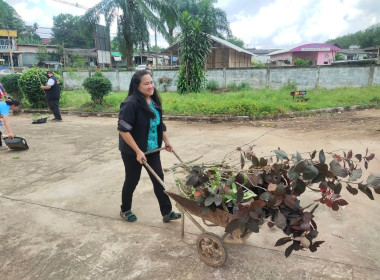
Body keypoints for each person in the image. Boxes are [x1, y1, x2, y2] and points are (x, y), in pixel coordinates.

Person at [117, 70, 181, 223]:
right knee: (132, 180)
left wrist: (167, 141)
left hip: (152, 149)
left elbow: (159, 124)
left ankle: (167, 212)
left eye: (151, 82)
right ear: (137, 86)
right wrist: (138, 151)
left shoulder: (153, 101)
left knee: (159, 179)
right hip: (133, 152)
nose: (151, 86)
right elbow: (123, 130)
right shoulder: (130, 103)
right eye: (146, 83)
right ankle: (125, 209)